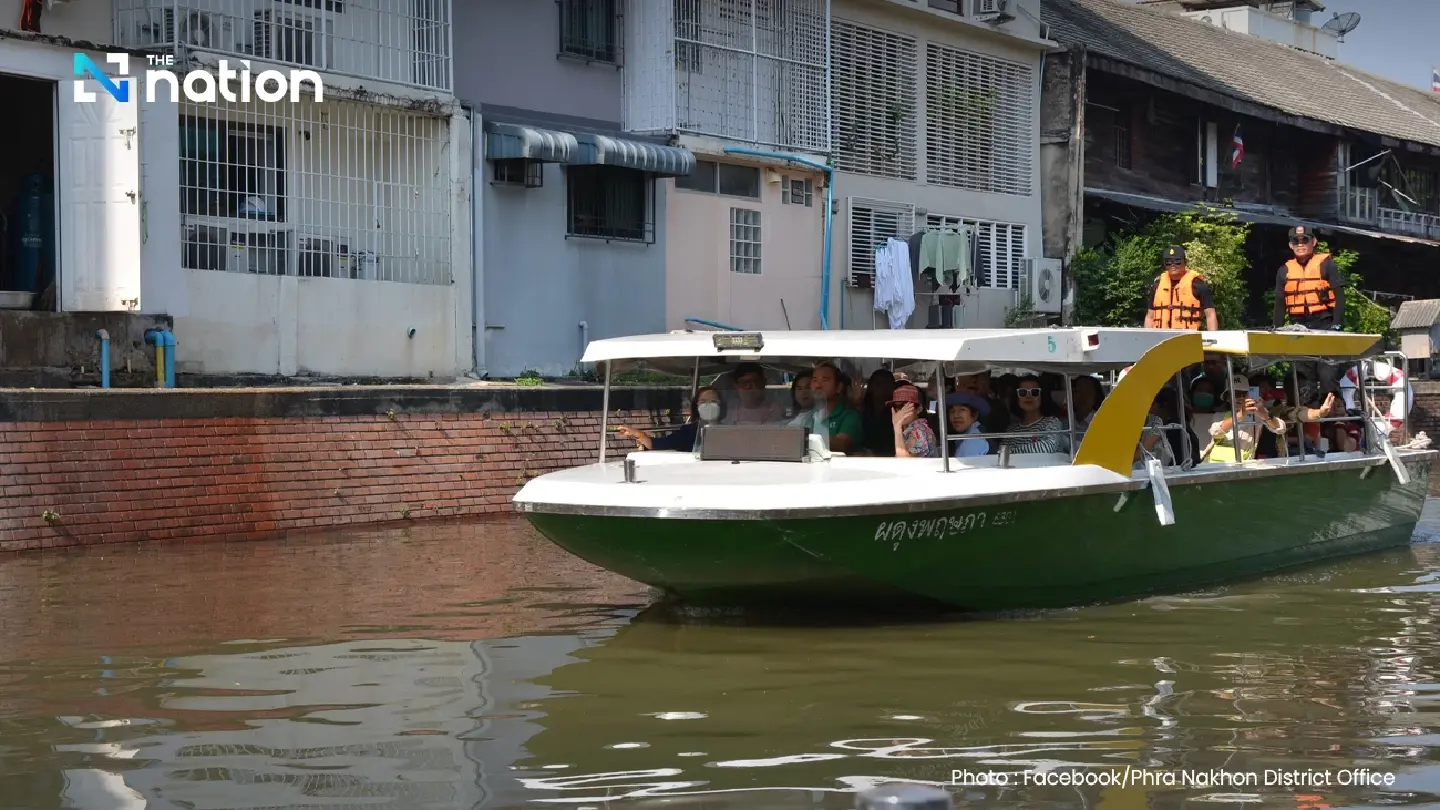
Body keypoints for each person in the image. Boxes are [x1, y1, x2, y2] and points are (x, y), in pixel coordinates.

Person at [1273, 225, 1344, 331]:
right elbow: (1279, 303)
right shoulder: (1284, 270)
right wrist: (1277, 328)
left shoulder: (1326, 265)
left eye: (1305, 240)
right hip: (1296, 325)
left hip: (1324, 323)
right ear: (1291, 245)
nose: (1300, 244)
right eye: (1296, 241)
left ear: (1313, 242)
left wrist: (1337, 324)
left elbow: (1340, 296)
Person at [1205, 374, 1286, 463]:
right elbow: (1214, 432)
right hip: (1220, 465)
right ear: (1227, 397)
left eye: (1243, 394)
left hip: (1246, 464)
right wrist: (1240, 415)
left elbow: (1281, 428)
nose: (1240, 397)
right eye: (1236, 394)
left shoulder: (1257, 414)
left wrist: (1264, 414)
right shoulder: (1219, 415)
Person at [617, 386, 722, 452]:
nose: (708, 406)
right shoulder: (688, 432)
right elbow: (656, 444)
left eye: (713, 401)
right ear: (696, 406)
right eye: (703, 402)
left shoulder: (730, 430)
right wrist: (637, 434)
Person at [1143, 245, 1219, 331]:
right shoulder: (1157, 285)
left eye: (1177, 261)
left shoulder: (1198, 285)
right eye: (1168, 262)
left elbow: (1210, 314)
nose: (1173, 265)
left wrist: (1213, 338)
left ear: (1185, 262)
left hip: (1187, 339)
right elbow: (1150, 316)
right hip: (1160, 339)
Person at [1004, 374, 1067, 454]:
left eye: (1034, 392)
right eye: (1023, 392)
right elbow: (1002, 454)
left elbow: (1047, 448)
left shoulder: (1052, 423)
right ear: (1016, 398)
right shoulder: (1011, 429)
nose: (1029, 396)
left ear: (1042, 396)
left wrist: (1012, 452)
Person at [810, 361, 864, 454]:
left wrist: (804, 439)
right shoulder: (809, 415)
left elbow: (841, 444)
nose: (818, 385)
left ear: (838, 387)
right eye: (815, 380)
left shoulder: (850, 415)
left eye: (825, 380)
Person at [889, 382, 940, 458]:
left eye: (905, 406)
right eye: (896, 406)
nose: (900, 411)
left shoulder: (918, 430)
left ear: (919, 409)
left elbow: (905, 463)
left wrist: (897, 427)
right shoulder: (912, 429)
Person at [861, 369, 898, 456]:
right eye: (879, 384)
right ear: (870, 387)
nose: (884, 388)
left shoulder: (897, 411)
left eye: (888, 384)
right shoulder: (862, 409)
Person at [946, 392, 991, 457]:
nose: (956, 416)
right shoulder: (965, 435)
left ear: (974, 415)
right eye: (952, 411)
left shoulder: (975, 440)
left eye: (962, 410)